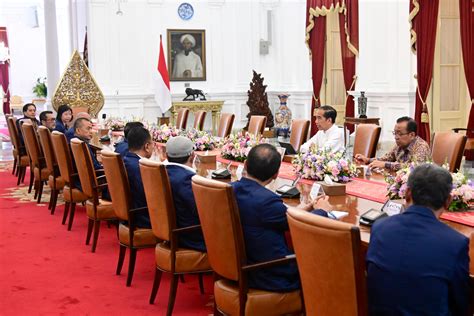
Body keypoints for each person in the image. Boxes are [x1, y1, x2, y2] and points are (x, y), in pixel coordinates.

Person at [366, 164, 469, 315]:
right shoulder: (455, 243)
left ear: (407, 193)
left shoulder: (380, 227)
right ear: (448, 201)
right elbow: (461, 305)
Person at [231, 143, 330, 292]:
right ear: (276, 174)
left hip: (240, 266)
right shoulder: (268, 201)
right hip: (269, 273)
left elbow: (284, 216)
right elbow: (300, 226)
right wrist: (322, 211)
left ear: (245, 164)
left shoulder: (231, 189)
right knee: (328, 258)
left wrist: (304, 208)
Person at [164, 136, 206, 252]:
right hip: (190, 238)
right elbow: (202, 212)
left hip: (173, 232)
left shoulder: (162, 173)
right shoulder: (186, 180)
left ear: (167, 156)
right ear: (192, 156)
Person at [355, 116, 431, 171]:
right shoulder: (400, 145)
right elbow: (387, 158)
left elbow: (414, 167)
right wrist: (368, 160)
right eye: (395, 133)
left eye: (400, 134)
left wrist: (385, 165)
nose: (396, 137)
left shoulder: (421, 146)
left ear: (411, 135)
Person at [123, 126, 153, 228]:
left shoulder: (126, 159)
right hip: (143, 217)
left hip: (130, 213)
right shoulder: (139, 167)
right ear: (147, 146)